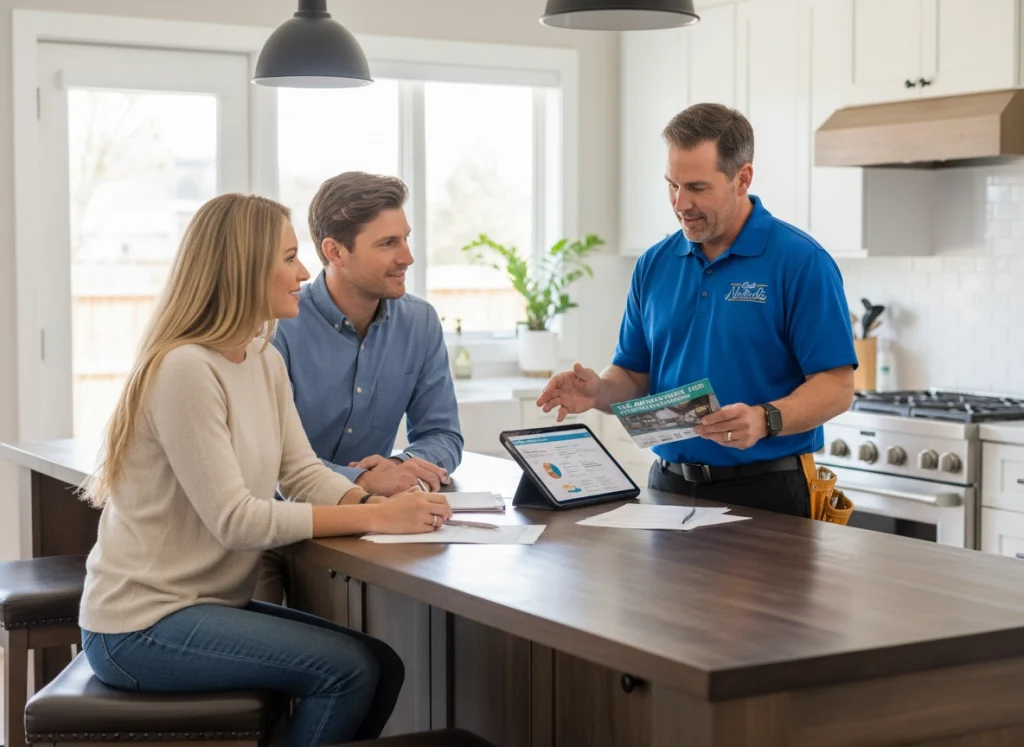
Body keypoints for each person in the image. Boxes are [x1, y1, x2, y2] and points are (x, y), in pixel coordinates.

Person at [78, 193, 453, 747]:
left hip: (201, 607)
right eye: (288, 258)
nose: (303, 273)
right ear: (243, 267)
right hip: (140, 626)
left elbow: (301, 472)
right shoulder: (185, 369)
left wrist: (379, 509)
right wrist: (375, 518)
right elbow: (238, 521)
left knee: (382, 666)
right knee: (348, 671)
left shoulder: (262, 357)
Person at [537, 103, 856, 517]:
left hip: (769, 491)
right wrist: (599, 391)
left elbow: (836, 386)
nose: (680, 203)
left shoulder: (800, 262)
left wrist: (764, 419)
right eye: (672, 185)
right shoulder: (654, 264)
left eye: (698, 188)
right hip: (667, 487)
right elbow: (634, 373)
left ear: (743, 178)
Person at [258, 172, 463, 604]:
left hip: (374, 530)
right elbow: (275, 464)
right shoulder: (278, 328)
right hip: (278, 533)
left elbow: (443, 434)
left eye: (405, 239)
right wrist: (364, 478)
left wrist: (404, 467)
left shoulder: (420, 322)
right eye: (387, 243)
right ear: (335, 251)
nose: (407, 257)